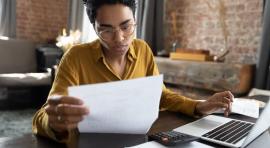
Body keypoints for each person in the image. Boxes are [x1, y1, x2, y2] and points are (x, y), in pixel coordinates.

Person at [32, 0, 233, 143]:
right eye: (107, 30)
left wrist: (199, 106)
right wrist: (55, 123)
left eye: (126, 26)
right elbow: (43, 115)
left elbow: (161, 96)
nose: (119, 38)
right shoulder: (76, 57)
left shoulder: (143, 49)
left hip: (139, 141)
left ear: (135, 20)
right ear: (94, 28)